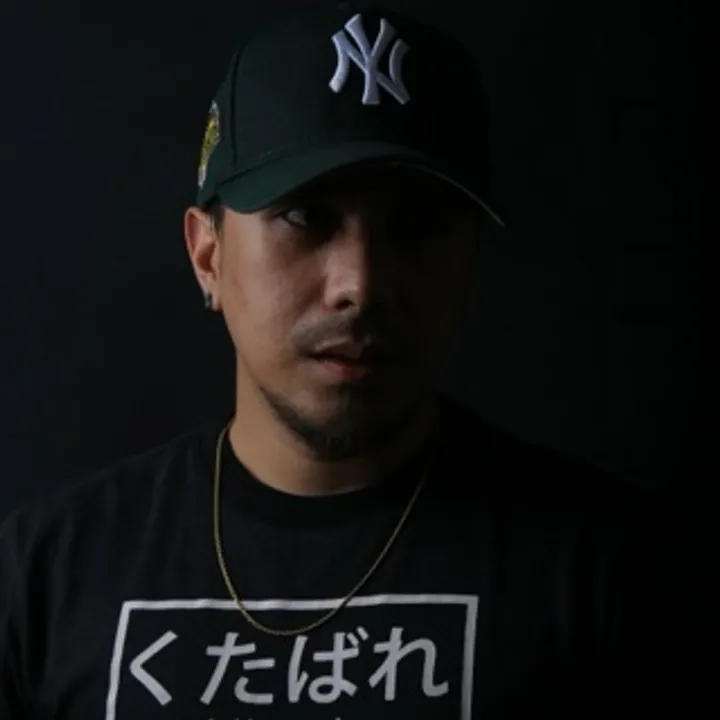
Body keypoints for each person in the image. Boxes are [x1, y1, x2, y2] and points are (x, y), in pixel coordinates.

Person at [0, 3, 708, 718]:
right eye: (305, 217)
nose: (360, 285)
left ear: (471, 261)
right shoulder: (46, 574)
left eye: (417, 226)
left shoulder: (616, 578)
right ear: (208, 254)